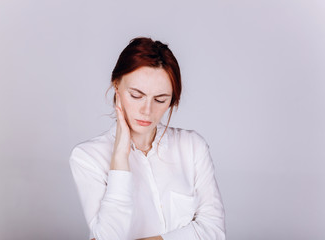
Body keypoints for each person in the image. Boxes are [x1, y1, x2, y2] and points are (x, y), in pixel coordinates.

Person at [69, 37, 225, 240]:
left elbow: (214, 231)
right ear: (116, 86)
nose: (147, 110)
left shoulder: (193, 147)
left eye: (160, 100)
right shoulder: (88, 157)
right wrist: (119, 157)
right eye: (136, 95)